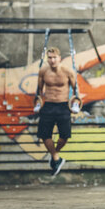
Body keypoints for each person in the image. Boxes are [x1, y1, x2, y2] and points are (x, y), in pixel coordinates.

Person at [36, 47, 77, 176]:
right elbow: (39, 90)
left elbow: (77, 90)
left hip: (63, 105)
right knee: (44, 135)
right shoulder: (43, 71)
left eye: (54, 57)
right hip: (48, 105)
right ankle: (56, 157)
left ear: (60, 58)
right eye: (49, 58)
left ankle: (55, 153)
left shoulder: (68, 71)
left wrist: (75, 103)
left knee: (64, 136)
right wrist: (38, 103)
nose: (52, 60)